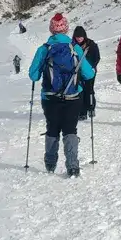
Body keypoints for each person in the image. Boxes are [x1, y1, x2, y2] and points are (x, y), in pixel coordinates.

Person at [28, 12, 95, 177]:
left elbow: (33, 75)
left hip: (50, 97)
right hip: (73, 97)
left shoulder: (44, 49)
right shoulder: (75, 48)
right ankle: (72, 166)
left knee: (52, 128)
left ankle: (50, 164)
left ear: (51, 30)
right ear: (66, 29)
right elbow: (89, 74)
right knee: (70, 129)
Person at [71, 26, 101, 120]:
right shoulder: (72, 45)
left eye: (81, 36)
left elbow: (97, 57)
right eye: (77, 37)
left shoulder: (91, 45)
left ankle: (91, 108)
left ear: (84, 36)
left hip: (90, 71)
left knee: (89, 90)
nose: (79, 38)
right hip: (77, 72)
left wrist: (90, 66)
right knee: (80, 91)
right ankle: (82, 112)